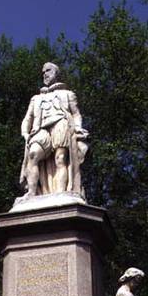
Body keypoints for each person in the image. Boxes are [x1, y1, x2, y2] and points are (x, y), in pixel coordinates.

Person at [19, 62, 89, 198]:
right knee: (33, 155)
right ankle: (31, 192)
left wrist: (78, 127)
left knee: (60, 158)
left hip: (61, 123)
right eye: (43, 72)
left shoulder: (68, 94)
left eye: (48, 70)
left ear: (56, 73)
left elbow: (76, 114)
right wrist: (25, 134)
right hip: (40, 129)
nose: (45, 74)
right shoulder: (36, 98)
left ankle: (60, 193)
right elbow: (28, 118)